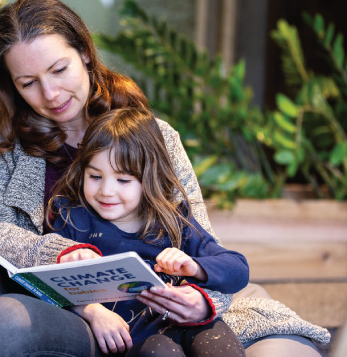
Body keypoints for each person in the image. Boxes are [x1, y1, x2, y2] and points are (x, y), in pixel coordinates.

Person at [0, 0, 327, 356]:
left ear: (84, 52)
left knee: (2, 321)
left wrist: (201, 299)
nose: (49, 93)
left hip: (92, 311)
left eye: (59, 69)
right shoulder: (2, 128)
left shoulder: (152, 136)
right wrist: (62, 256)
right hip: (23, 273)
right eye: (27, 83)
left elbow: (198, 241)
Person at [47, 107, 248, 356]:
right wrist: (91, 310)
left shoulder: (173, 219)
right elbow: (48, 286)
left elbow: (238, 269)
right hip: (136, 341)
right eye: (95, 176)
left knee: (219, 343)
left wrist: (194, 266)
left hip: (185, 322)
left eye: (123, 180)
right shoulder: (75, 219)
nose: (106, 191)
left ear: (150, 177)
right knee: (160, 350)